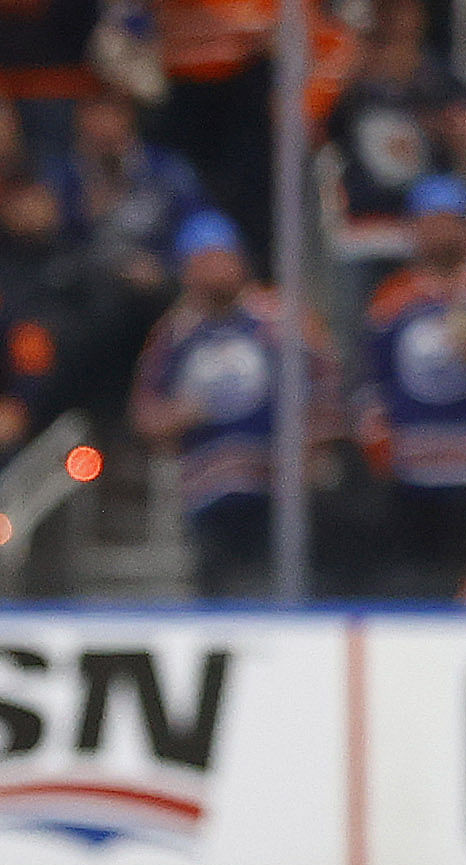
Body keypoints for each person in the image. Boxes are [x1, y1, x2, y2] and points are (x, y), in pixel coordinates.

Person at [132, 211, 332, 597]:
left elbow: (326, 386)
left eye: (221, 256)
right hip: (208, 494)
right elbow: (145, 414)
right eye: (202, 260)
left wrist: (311, 446)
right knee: (222, 590)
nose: (215, 269)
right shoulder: (174, 335)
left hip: (280, 485)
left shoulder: (282, 319)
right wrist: (179, 414)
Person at [359, 175, 466, 598]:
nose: (437, 231)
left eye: (447, 221)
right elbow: (371, 385)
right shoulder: (392, 299)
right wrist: (383, 449)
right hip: (416, 478)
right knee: (420, 587)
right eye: (428, 222)